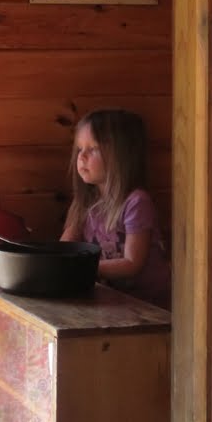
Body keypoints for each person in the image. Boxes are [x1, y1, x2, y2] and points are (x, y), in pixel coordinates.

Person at [61, 108, 172, 309]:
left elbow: (132, 263)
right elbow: (63, 250)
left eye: (93, 149)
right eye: (79, 149)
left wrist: (82, 269)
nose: (82, 157)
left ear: (120, 155)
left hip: (149, 307)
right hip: (112, 303)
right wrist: (38, 267)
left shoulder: (136, 202)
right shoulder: (84, 202)